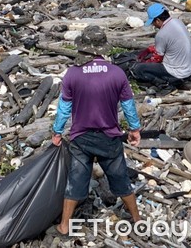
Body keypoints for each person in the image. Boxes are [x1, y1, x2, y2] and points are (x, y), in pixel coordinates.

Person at [51, 25, 142, 237]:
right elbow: (128, 105)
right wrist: (135, 129)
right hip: (109, 137)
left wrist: (57, 132)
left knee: (75, 181)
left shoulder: (72, 75)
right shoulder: (117, 73)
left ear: (84, 48)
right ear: (103, 49)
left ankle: (65, 225)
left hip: (81, 137)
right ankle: (137, 219)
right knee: (120, 180)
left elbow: (64, 108)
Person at [130, 3, 191, 92]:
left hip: (178, 74)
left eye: (153, 22)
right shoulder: (177, 22)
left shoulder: (161, 34)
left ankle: (164, 84)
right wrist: (149, 50)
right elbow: (169, 44)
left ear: (157, 20)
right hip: (190, 69)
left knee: (138, 69)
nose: (154, 25)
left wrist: (144, 62)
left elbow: (157, 59)